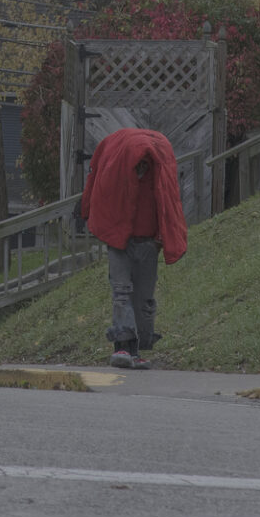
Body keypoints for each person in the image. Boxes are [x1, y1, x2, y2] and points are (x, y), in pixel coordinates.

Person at [77, 127, 186, 369]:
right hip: (127, 241)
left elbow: (168, 201)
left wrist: (162, 238)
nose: (141, 169)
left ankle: (134, 349)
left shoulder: (142, 170)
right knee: (123, 292)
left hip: (143, 240)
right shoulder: (134, 170)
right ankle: (125, 348)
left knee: (141, 297)